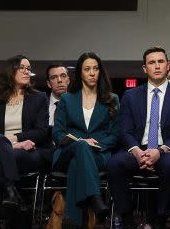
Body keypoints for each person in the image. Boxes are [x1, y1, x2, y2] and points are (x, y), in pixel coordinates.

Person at [108, 47, 170, 229]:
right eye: (151, 62)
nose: (157, 66)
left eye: (160, 61)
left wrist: (159, 151)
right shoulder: (131, 96)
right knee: (114, 163)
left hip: (167, 150)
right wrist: (137, 152)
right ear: (144, 68)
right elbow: (124, 130)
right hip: (137, 149)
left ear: (167, 65)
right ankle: (127, 220)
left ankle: (159, 221)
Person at [0, 55, 51, 225]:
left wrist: (14, 139)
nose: (27, 71)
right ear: (11, 71)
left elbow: (41, 132)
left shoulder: (39, 98)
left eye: (29, 68)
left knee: (1, 161)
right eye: (22, 68)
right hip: (1, 148)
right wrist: (10, 144)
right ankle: (14, 196)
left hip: (29, 152)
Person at [53, 52, 120, 227]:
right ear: (80, 73)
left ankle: (72, 221)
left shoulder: (112, 99)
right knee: (81, 147)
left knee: (78, 164)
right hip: (67, 152)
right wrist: (80, 142)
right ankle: (94, 197)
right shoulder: (67, 99)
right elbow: (58, 133)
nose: (92, 73)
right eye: (87, 69)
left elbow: (115, 135)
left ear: (100, 72)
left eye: (96, 69)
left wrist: (97, 144)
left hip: (98, 154)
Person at [45, 63, 69, 128]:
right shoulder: (40, 104)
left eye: (63, 76)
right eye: (54, 77)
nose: (59, 80)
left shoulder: (79, 103)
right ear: (49, 84)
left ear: (68, 81)